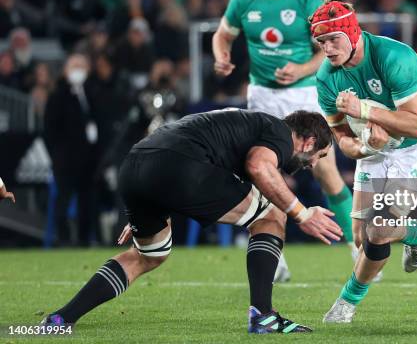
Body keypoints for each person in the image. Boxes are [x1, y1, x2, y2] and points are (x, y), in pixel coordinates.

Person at [42, 109, 342, 334]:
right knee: (272, 213)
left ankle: (61, 319)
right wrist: (302, 214)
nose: (314, 164)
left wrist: (154, 198)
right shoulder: (277, 131)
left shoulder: (244, 124)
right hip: (177, 167)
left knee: (149, 255)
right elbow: (258, 166)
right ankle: (263, 316)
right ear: (308, 141)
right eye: (320, 155)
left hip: (136, 167)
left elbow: (190, 148)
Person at [212, 0, 354, 282]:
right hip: (262, 97)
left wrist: (301, 69)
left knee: (325, 172)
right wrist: (221, 55)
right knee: (262, 175)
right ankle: (274, 259)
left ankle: (358, 247)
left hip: (304, 94)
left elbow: (330, 48)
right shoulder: (243, 1)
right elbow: (222, 34)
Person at [310, 0, 417, 323]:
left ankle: (345, 305)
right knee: (361, 237)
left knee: (380, 230)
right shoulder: (326, 78)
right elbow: (343, 139)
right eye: (321, 42)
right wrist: (364, 149)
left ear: (352, 32)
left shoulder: (394, 57)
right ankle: (416, 231)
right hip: (376, 149)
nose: (328, 49)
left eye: (333, 39)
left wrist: (366, 111)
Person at [43, 53, 102, 246]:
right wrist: (57, 154)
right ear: (66, 70)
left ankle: (85, 240)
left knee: (88, 202)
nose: (78, 70)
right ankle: (64, 239)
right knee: (63, 199)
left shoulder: (93, 91)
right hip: (65, 158)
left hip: (88, 160)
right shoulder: (57, 95)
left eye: (81, 66)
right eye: (74, 66)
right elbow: (50, 129)